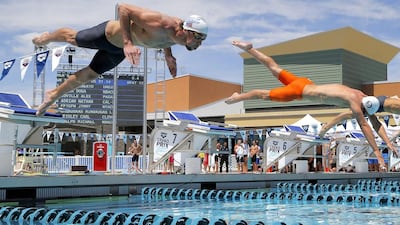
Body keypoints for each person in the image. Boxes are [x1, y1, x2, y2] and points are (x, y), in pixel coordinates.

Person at [225, 40, 391, 171]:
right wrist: (378, 153)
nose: (363, 113)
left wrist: (388, 144)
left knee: (273, 66)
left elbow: (374, 122)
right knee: (263, 94)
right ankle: (238, 97)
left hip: (305, 82)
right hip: (299, 91)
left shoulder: (359, 94)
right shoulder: (355, 103)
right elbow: (366, 126)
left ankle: (249, 49)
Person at [32, 3, 208, 116]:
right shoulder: (162, 23)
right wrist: (127, 42)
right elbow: (123, 8)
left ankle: (53, 95)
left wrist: (168, 56)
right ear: (187, 30)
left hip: (117, 52)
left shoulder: (178, 38)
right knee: (72, 38)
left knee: (91, 74)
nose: (199, 44)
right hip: (108, 35)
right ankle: (46, 38)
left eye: (202, 40)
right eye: (198, 38)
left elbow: (166, 40)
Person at [319, 96, 400, 158]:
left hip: (380, 102)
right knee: (349, 115)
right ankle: (325, 127)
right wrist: (389, 142)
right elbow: (376, 125)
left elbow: (377, 125)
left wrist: (389, 142)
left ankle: (326, 127)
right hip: (376, 103)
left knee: (349, 115)